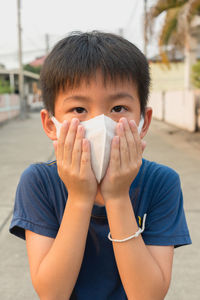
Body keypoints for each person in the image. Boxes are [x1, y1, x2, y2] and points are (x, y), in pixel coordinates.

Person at [9, 31, 191, 300]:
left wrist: (117, 196)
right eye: (79, 110)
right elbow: (52, 293)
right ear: (50, 124)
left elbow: (148, 295)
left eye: (118, 108)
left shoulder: (161, 182)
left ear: (144, 121)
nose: (100, 123)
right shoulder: (39, 182)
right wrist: (80, 197)